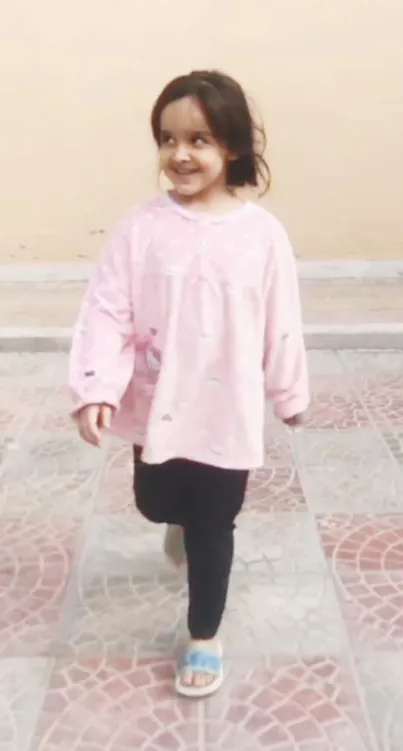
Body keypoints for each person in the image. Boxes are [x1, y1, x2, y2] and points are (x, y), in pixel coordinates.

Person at [69, 70, 309, 698]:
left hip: (225, 411)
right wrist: (96, 386)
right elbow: (107, 309)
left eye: (199, 139)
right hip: (159, 405)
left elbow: (282, 323)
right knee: (156, 502)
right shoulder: (139, 227)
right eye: (169, 139)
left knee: (214, 523)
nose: (181, 154)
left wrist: (289, 392)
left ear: (230, 145)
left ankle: (204, 634)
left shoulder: (262, 237)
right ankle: (176, 523)